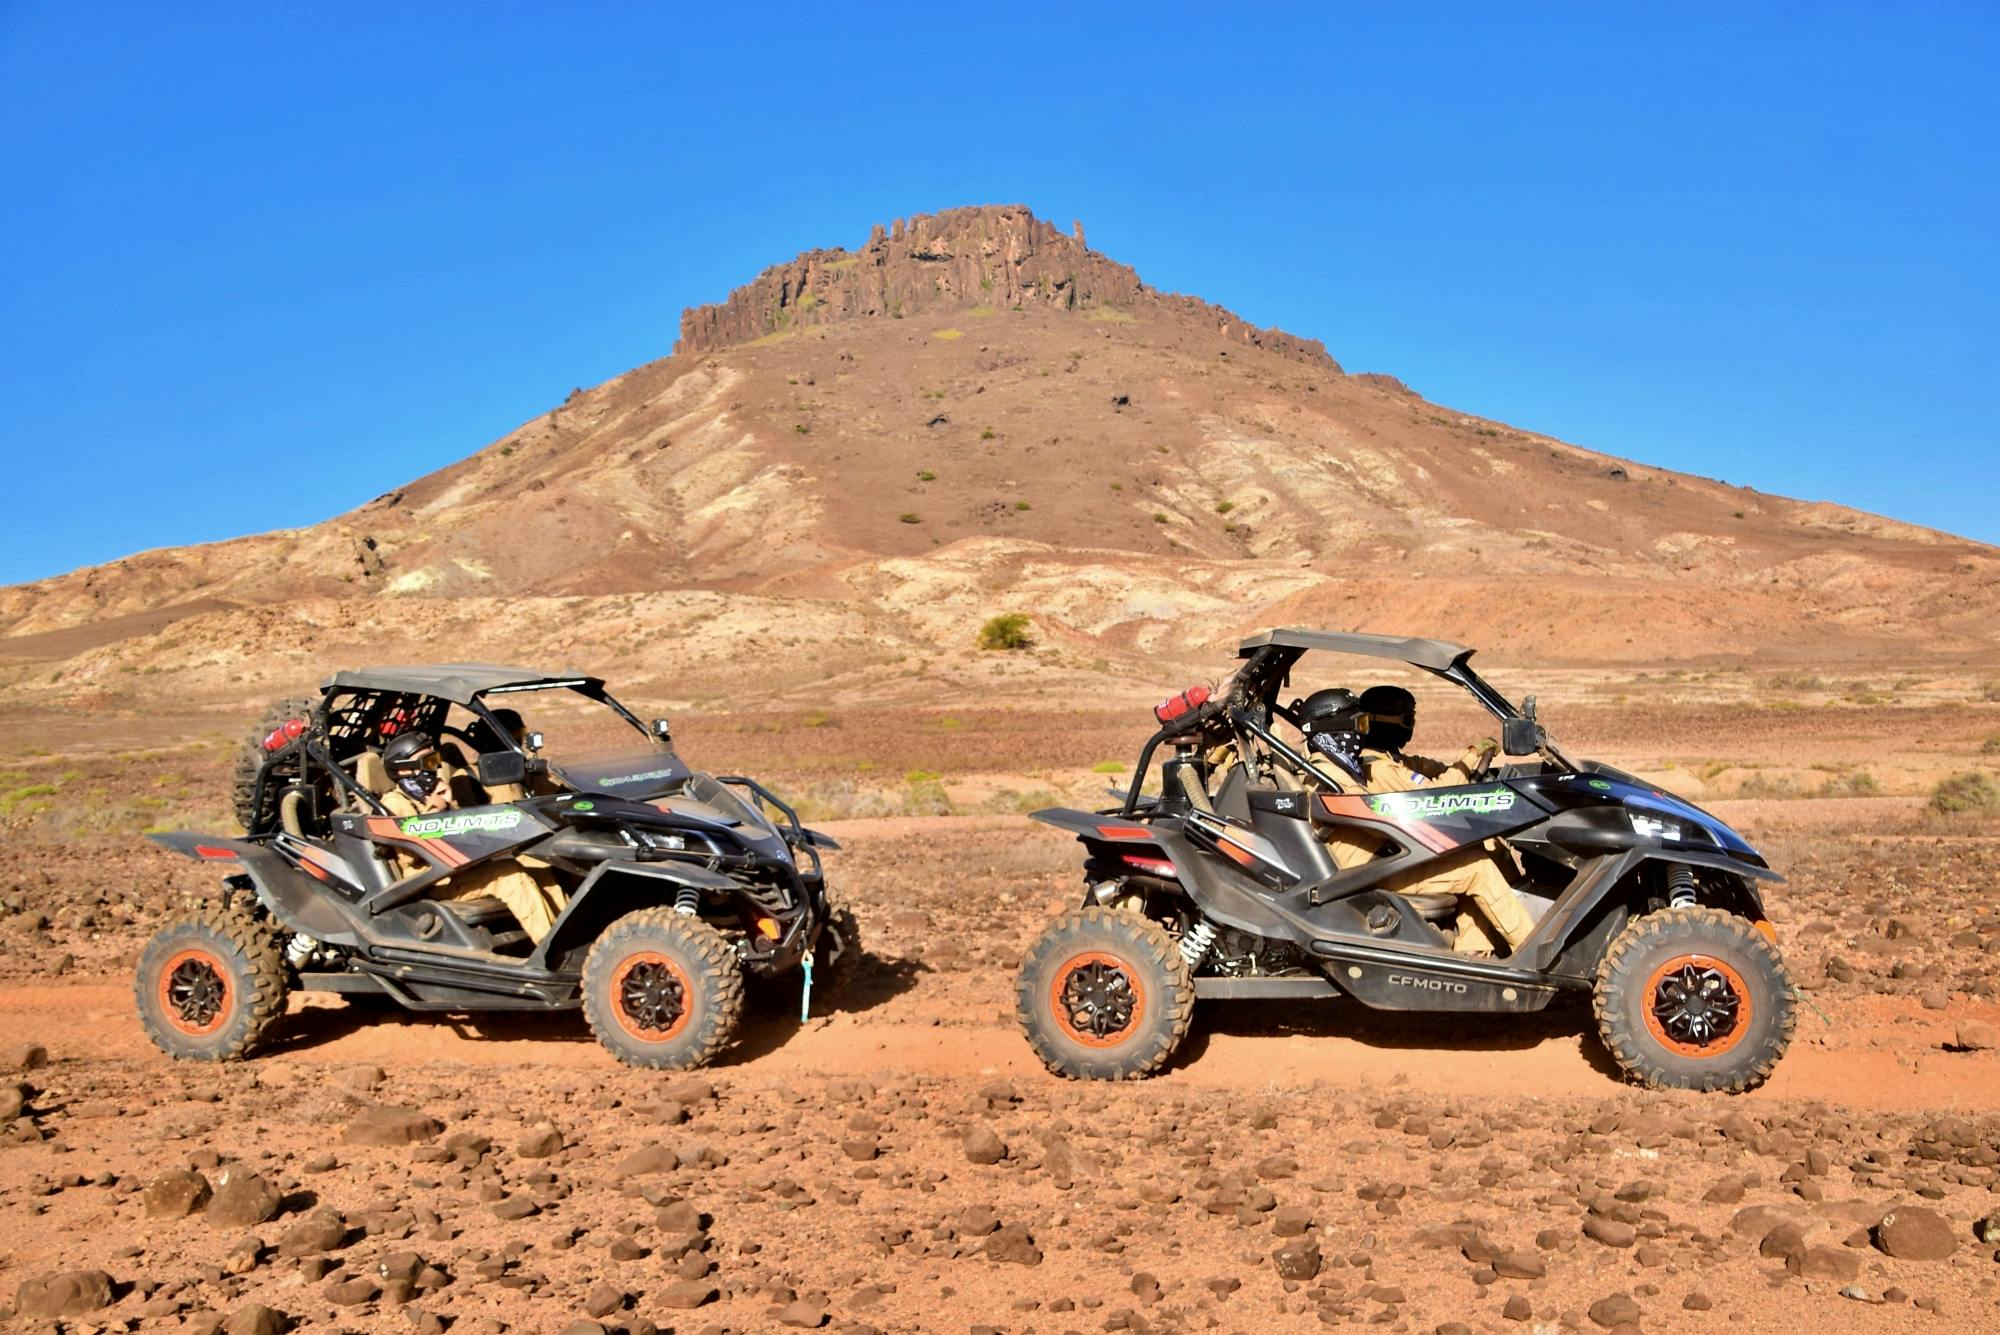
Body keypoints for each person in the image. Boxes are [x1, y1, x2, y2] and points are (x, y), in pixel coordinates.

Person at [1298, 685, 1536, 957]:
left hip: (1380, 861)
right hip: (1366, 872)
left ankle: (1476, 952)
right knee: (1478, 868)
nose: (1361, 735)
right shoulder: (1328, 774)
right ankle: (1535, 957)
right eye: (1357, 725)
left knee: (1475, 854)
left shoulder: (1339, 766)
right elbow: (1374, 820)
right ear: (1335, 731)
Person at [379, 731, 567, 943]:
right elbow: (409, 856)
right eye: (427, 762)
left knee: (540, 871)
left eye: (435, 760)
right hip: (433, 881)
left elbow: (462, 832)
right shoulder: (395, 803)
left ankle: (571, 939)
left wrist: (451, 805)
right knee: (510, 876)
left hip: (459, 867)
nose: (434, 768)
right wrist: (437, 809)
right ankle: (551, 950)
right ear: (403, 769)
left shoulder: (433, 789)